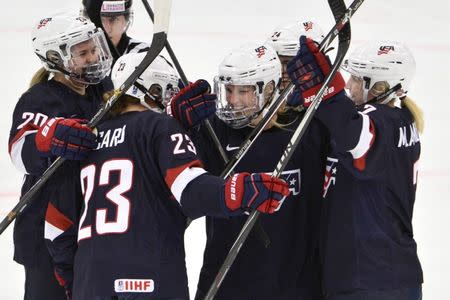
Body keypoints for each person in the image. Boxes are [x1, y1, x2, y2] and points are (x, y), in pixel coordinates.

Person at [44, 51, 291, 300]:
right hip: (150, 281)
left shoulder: (87, 139)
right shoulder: (159, 127)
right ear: (151, 89)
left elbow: (56, 227)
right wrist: (241, 190)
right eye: (166, 90)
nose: (168, 100)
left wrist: (77, 281)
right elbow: (190, 191)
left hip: (91, 284)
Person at [169, 43, 329, 299]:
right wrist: (175, 126)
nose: (232, 100)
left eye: (243, 91)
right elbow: (179, 194)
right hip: (225, 284)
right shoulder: (212, 131)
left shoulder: (307, 131)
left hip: (296, 286)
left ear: (269, 89)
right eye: (228, 90)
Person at [287, 36, 424, 299]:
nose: (348, 85)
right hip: (379, 275)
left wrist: (326, 90)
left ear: (381, 86)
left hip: (372, 278)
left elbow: (354, 133)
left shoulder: (384, 121)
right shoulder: (400, 118)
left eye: (357, 80)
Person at [8, 14, 113, 300]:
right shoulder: (40, 98)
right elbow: (19, 152)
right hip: (45, 230)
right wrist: (47, 138)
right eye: (83, 53)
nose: (94, 57)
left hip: (91, 222)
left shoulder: (102, 90)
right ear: (56, 57)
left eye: (94, 48)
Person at [82, 0, 150, 56]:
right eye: (99, 20)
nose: (106, 30)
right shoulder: (77, 56)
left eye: (113, 19)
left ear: (125, 21)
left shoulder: (143, 54)